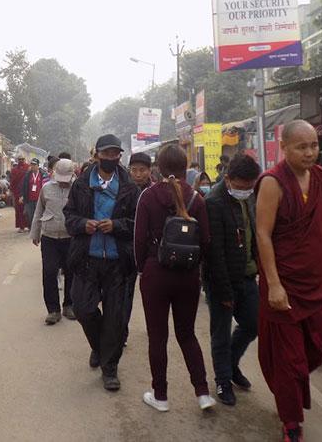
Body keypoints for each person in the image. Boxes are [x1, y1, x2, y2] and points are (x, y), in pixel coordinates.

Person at [255, 120, 322, 442]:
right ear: (284, 147)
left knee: (319, 347)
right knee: (290, 360)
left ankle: (285, 388)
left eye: (314, 145)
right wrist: (273, 283)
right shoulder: (273, 182)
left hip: (315, 281)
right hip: (284, 283)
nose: (309, 152)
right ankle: (291, 424)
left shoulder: (320, 179)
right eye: (302, 147)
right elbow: (263, 233)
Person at [134, 145, 215, 413]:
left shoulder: (148, 196)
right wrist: (194, 267)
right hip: (188, 276)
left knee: (157, 337)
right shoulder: (197, 198)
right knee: (187, 334)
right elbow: (205, 241)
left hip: (156, 274)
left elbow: (139, 239)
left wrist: (142, 269)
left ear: (158, 166)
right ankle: (202, 393)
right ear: (185, 166)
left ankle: (161, 396)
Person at [64, 134, 140, 391]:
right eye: (106, 153)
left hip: (118, 261)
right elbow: (69, 217)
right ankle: (99, 346)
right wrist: (83, 224)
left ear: (120, 156)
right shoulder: (81, 184)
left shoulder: (130, 186)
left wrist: (116, 225)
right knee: (83, 309)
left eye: (115, 154)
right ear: (96, 154)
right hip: (87, 258)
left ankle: (109, 368)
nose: (110, 158)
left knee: (115, 318)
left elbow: (137, 224)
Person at [204, 154, 261, 406]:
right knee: (221, 332)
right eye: (241, 185)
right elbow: (214, 252)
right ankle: (223, 381)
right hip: (221, 279)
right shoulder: (214, 202)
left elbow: (254, 235)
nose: (246, 190)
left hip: (247, 275)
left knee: (253, 324)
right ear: (228, 179)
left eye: (250, 185)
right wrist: (224, 291)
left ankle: (231, 364)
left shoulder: (250, 197)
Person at [30, 159, 76, 325]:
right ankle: (53, 310)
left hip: (70, 237)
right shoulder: (46, 188)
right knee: (49, 272)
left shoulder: (77, 189)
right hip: (49, 237)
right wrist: (35, 233)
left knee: (71, 271)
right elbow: (38, 211)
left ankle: (69, 305)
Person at [124, 152, 154, 345]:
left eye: (142, 170)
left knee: (151, 296)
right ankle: (122, 332)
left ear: (149, 171)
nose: (138, 174)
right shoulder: (123, 191)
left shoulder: (155, 192)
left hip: (149, 253)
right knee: (125, 296)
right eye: (134, 170)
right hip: (126, 250)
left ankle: (154, 328)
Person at [21, 158, 44, 230]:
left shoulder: (42, 174)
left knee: (39, 214)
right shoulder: (27, 175)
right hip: (29, 199)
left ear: (38, 165)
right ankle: (32, 228)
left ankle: (39, 228)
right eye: (32, 165)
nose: (33, 166)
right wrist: (22, 196)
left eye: (34, 165)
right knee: (30, 215)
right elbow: (23, 186)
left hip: (39, 199)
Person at [10, 156, 30, 232]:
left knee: (28, 209)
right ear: (17, 160)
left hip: (27, 192)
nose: (21, 161)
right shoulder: (14, 170)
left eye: (22, 159)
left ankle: (29, 225)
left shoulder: (28, 168)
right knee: (19, 210)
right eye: (19, 159)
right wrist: (11, 191)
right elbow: (12, 181)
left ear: (25, 160)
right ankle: (21, 226)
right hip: (17, 192)